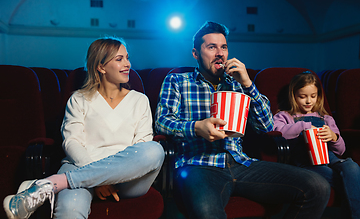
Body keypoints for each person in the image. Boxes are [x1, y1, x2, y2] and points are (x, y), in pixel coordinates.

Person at [155, 21, 331, 219]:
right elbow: (162, 121)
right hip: (199, 165)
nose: (220, 53)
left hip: (241, 163)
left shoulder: (238, 83)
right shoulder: (178, 81)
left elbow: (266, 126)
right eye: (211, 47)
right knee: (207, 213)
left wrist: (248, 83)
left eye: (224, 47)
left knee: (318, 187)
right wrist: (197, 127)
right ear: (196, 53)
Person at [3, 36, 165, 219]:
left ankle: (52, 183)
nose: (127, 64)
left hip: (127, 178)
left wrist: (107, 176)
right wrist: (96, 180)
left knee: (153, 150)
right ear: (101, 67)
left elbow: (141, 145)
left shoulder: (139, 100)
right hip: (80, 166)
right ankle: (56, 185)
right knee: (70, 211)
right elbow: (72, 142)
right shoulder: (78, 99)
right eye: (119, 59)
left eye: (127, 57)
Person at [273, 71, 360, 218]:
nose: (308, 101)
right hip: (306, 162)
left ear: (318, 96)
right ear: (293, 96)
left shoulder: (325, 118)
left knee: (352, 167)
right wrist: (303, 126)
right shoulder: (284, 116)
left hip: (330, 156)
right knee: (343, 179)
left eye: (313, 96)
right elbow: (278, 131)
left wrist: (333, 137)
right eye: (303, 96)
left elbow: (341, 151)